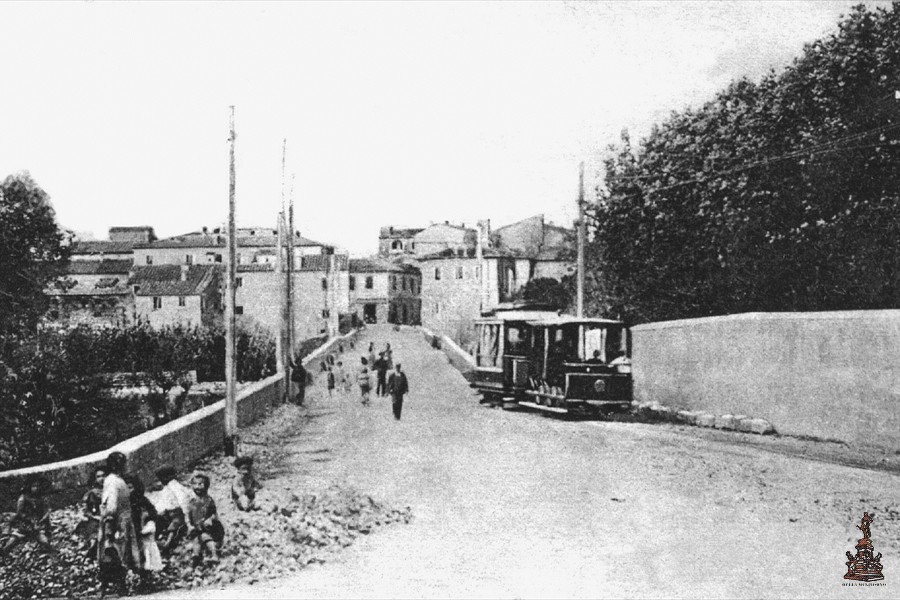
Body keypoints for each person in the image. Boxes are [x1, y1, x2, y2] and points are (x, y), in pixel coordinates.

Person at [98, 452, 141, 593]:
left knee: (119, 552)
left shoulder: (115, 480)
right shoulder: (113, 481)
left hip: (121, 521)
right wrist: (109, 527)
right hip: (118, 522)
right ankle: (116, 585)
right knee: (116, 551)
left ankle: (122, 584)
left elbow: (112, 505)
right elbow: (111, 505)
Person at [1, 476, 53, 557]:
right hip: (24, 526)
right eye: (34, 486)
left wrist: (44, 517)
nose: (36, 488)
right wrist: (29, 519)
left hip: (36, 528)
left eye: (38, 486)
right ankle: (3, 554)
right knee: (11, 542)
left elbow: (46, 510)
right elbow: (20, 512)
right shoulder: (23, 498)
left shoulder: (40, 499)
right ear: (29, 487)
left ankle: (46, 554)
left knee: (45, 542)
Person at [124, 475, 161, 582]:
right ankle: (138, 577)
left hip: (142, 532)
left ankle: (147, 579)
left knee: (146, 556)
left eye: (130, 488)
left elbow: (153, 512)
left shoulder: (142, 500)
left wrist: (149, 521)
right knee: (133, 556)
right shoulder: (123, 503)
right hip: (130, 534)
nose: (129, 491)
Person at [153, 465, 194, 554]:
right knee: (158, 520)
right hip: (168, 512)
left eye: (161, 478)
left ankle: (168, 542)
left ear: (167, 477)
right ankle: (157, 538)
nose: (160, 481)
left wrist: (186, 513)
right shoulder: (168, 486)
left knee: (175, 524)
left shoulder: (174, 485)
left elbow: (183, 498)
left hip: (177, 512)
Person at [187, 473, 224, 567]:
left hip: (209, 527)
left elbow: (214, 514)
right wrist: (190, 525)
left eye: (200, 484)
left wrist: (209, 520)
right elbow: (189, 515)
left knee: (204, 536)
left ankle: (214, 554)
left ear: (206, 486)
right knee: (196, 539)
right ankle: (195, 557)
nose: (197, 487)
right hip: (198, 527)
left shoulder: (208, 500)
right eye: (194, 484)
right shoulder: (192, 502)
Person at [76, 467, 106, 557]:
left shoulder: (111, 490)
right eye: (98, 476)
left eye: (104, 476)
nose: (102, 478)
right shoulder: (92, 494)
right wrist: (95, 517)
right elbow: (86, 511)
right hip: (96, 519)